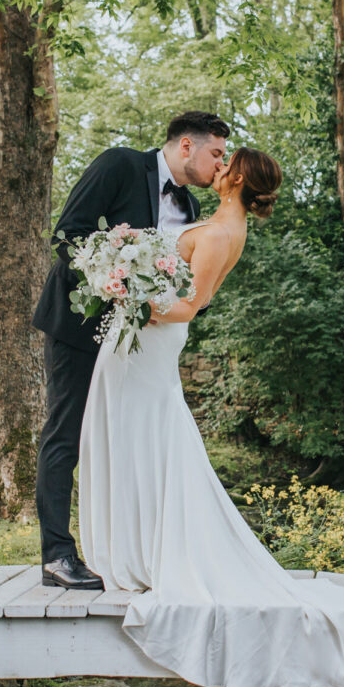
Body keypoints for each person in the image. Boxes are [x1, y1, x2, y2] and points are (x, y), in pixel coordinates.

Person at [78, 147, 344, 687]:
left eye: (226, 162)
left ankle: (136, 553)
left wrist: (128, 291)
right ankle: (133, 546)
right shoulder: (226, 224)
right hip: (146, 339)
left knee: (142, 435)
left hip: (149, 338)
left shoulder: (222, 232)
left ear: (239, 177)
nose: (217, 166)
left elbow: (192, 304)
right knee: (140, 435)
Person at [31, 111, 231, 589]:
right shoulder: (119, 165)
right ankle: (57, 556)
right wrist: (113, 282)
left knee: (130, 443)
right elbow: (68, 236)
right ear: (187, 146)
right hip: (81, 328)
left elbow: (183, 282)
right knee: (67, 434)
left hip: (139, 348)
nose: (220, 165)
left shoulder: (189, 209)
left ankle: (132, 552)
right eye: (216, 154)